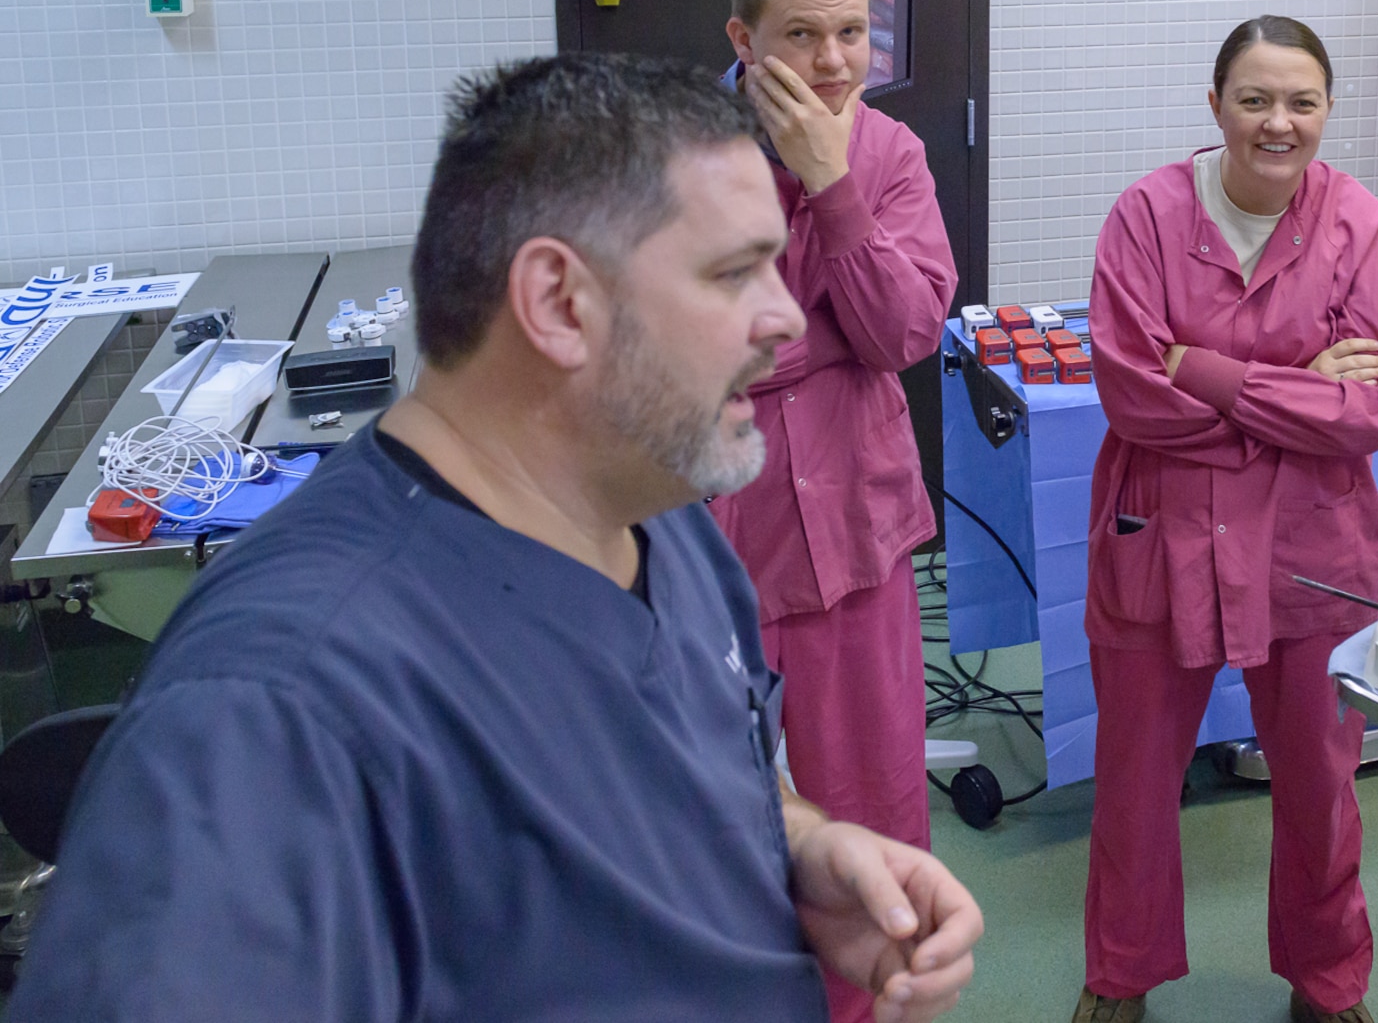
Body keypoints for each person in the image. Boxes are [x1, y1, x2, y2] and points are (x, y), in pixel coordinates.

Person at [6, 55, 982, 1022]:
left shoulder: (664, 520)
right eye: (734, 273)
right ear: (560, 303)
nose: (783, 319)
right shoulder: (276, 710)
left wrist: (798, 850)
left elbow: (727, 766)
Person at [1073, 17, 1378, 1023]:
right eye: (1255, 99)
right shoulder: (1144, 216)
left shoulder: (1359, 227)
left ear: (1325, 109)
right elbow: (1131, 391)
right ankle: (1119, 972)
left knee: (1319, 780)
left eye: (1301, 101)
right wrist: (1290, 388)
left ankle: (1327, 979)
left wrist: (1210, 370)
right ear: (1215, 102)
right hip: (1164, 531)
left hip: (1312, 543)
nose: (1278, 122)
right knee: (1137, 777)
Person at [709, 0, 955, 978]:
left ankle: (879, 995)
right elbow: (681, 349)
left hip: (856, 523)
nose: (832, 61)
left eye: (851, 31)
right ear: (741, 36)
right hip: (719, 530)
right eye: (801, 34)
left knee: (871, 798)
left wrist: (830, 184)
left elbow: (901, 335)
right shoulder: (674, 153)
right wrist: (816, 338)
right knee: (723, 797)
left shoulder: (889, 154)